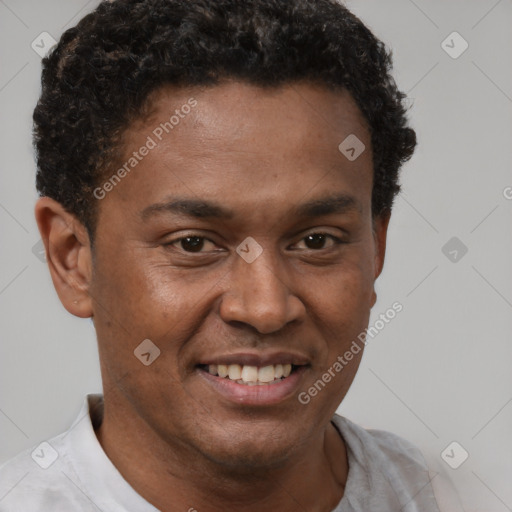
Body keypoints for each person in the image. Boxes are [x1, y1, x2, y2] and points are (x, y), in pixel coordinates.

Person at [0, 0, 463, 510]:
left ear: (376, 248)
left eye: (316, 241)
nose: (265, 308)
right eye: (193, 243)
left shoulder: (438, 495)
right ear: (72, 259)